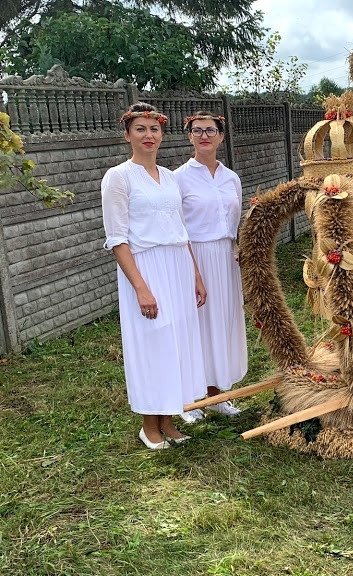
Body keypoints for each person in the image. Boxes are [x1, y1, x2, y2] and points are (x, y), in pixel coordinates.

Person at [101, 102, 207, 449]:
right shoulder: (118, 177)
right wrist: (141, 288)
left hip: (177, 264)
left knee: (177, 341)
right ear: (127, 135)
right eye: (141, 129)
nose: (149, 135)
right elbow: (117, 238)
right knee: (153, 343)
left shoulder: (170, 178)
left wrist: (195, 275)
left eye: (154, 129)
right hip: (146, 266)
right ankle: (150, 426)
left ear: (162, 134)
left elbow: (181, 230)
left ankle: (169, 421)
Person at [174, 111, 247, 421]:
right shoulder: (177, 178)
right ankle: (189, 400)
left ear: (221, 136)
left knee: (223, 324)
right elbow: (177, 229)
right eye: (197, 130)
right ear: (189, 136)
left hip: (225, 258)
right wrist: (193, 274)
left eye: (210, 130)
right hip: (195, 257)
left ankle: (218, 395)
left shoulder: (232, 178)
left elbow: (236, 222)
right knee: (196, 327)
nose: (204, 135)